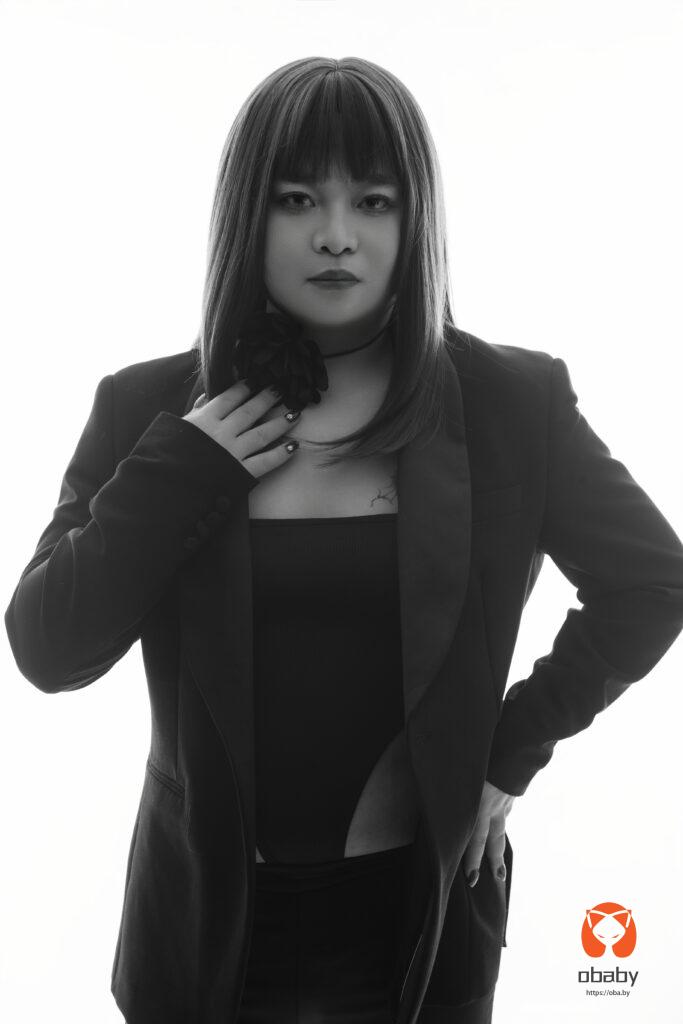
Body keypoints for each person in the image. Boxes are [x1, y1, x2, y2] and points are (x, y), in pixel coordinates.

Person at [5, 55, 683, 1024]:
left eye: (371, 200)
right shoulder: (146, 406)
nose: (334, 234)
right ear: (248, 214)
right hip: (200, 940)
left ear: (414, 220)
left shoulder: (508, 403)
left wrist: (508, 752)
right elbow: (48, 650)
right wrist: (179, 467)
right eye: (296, 199)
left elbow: (653, 583)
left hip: (412, 933)